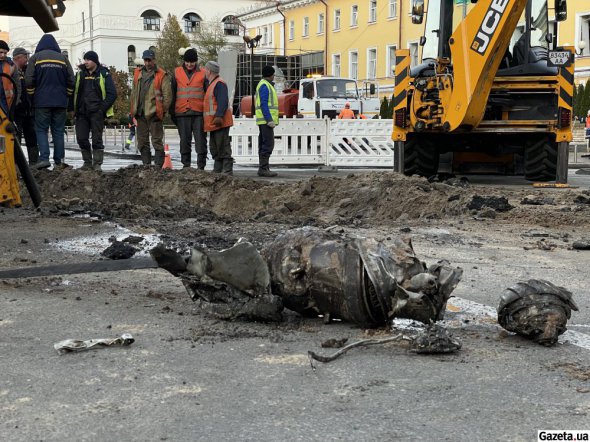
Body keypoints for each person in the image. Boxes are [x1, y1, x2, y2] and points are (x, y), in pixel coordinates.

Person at [25, 34, 75, 170]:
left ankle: (44, 159)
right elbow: (72, 80)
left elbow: (29, 80)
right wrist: (67, 95)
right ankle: (59, 162)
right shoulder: (63, 59)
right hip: (60, 102)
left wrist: (31, 96)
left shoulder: (35, 58)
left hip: (41, 101)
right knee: (58, 131)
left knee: (41, 130)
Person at [71, 51, 117, 171]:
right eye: (85, 59)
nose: (85, 62)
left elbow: (112, 94)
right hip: (81, 112)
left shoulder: (103, 74)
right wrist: (72, 109)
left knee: (97, 139)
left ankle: (97, 164)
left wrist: (102, 109)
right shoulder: (80, 74)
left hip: (97, 112)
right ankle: (87, 163)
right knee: (81, 138)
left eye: (88, 59)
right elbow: (74, 93)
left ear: (95, 61)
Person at [129, 49, 172, 167]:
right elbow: (134, 93)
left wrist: (162, 111)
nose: (147, 63)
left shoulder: (161, 75)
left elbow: (167, 96)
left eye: (149, 60)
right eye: (145, 60)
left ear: (154, 60)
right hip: (140, 113)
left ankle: (158, 167)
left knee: (157, 141)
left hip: (155, 113)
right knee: (142, 142)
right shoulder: (138, 73)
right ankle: (146, 165)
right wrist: (132, 110)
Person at [170, 48, 208, 169]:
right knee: (184, 141)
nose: (190, 64)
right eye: (187, 62)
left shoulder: (203, 73)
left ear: (196, 61)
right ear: (184, 61)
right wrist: (172, 112)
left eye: (192, 62)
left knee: (200, 141)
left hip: (198, 113)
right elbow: (173, 92)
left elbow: (207, 94)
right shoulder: (176, 72)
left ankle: (201, 166)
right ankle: (186, 166)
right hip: (182, 112)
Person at [202, 61, 234, 175]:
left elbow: (223, 101)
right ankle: (218, 168)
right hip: (214, 123)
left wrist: (219, 116)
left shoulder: (219, 84)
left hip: (220, 122)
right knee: (215, 147)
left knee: (223, 145)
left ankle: (226, 169)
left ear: (209, 71)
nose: (204, 72)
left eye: (205, 69)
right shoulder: (213, 83)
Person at [11, 47, 38, 165]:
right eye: (25, 56)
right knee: (16, 138)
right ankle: (16, 164)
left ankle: (33, 163)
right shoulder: (11, 69)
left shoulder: (28, 70)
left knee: (31, 137)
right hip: (17, 111)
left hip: (29, 111)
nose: (27, 59)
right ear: (18, 57)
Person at [255, 65, 279, 177]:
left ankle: (264, 167)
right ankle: (263, 168)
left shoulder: (264, 84)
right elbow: (264, 104)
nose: (274, 76)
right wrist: (269, 119)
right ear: (270, 75)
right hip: (266, 121)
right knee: (268, 144)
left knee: (263, 143)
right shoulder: (265, 86)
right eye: (273, 74)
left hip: (263, 120)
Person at [0, 40, 20, 121]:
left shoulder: (11, 65)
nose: (3, 55)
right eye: (1, 52)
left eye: (5, 53)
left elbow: (17, 85)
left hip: (6, 103)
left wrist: (16, 101)